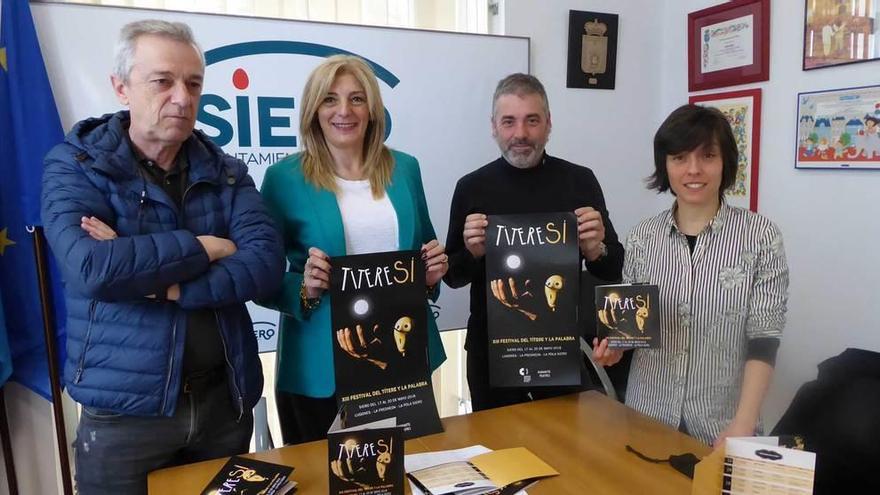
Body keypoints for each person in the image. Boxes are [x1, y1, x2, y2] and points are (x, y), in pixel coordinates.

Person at [40, 20, 284, 495]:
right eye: (162, 81)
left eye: (193, 84)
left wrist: (168, 285)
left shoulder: (227, 172)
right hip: (124, 417)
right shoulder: (76, 165)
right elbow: (92, 267)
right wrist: (206, 247)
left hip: (223, 403)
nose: (182, 96)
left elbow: (265, 263)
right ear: (121, 87)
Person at [258, 55, 447, 445]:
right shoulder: (283, 179)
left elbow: (423, 253)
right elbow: (260, 277)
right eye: (330, 99)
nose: (344, 111)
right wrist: (303, 288)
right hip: (319, 370)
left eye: (356, 99)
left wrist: (430, 276)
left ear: (373, 109)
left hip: (401, 360)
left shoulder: (405, 169)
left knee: (407, 471)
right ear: (313, 110)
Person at [593, 104, 789, 446]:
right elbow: (630, 331)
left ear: (724, 161)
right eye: (680, 158)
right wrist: (614, 350)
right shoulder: (642, 238)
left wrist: (743, 424)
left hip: (724, 425)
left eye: (708, 156)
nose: (694, 170)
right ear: (665, 165)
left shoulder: (761, 237)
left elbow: (765, 339)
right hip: (647, 417)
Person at [443, 73, 624, 412]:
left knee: (564, 451)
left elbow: (613, 266)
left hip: (559, 349)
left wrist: (596, 248)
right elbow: (452, 276)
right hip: (490, 354)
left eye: (532, 121)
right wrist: (471, 252)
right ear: (494, 126)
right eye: (509, 122)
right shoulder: (471, 187)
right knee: (496, 455)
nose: (521, 134)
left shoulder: (580, 181)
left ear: (548, 124)